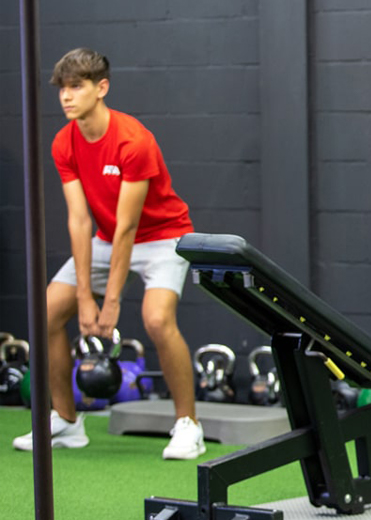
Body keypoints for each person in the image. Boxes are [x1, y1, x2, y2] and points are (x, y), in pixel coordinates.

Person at [12, 48, 205, 460]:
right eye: (62, 89)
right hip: (105, 238)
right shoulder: (64, 142)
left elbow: (129, 227)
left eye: (76, 87)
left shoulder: (134, 141)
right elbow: (80, 222)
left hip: (162, 237)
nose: (66, 96)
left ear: (102, 88)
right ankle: (65, 421)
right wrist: (84, 294)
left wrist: (110, 300)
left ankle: (189, 425)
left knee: (156, 318)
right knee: (46, 313)